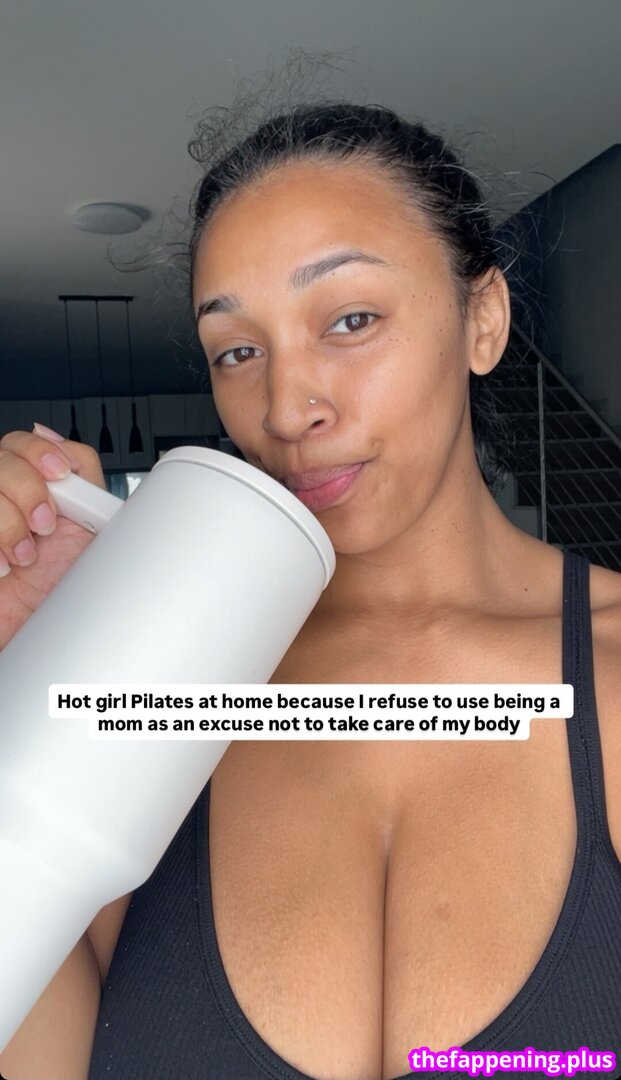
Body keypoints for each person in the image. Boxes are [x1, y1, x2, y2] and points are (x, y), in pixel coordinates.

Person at [1, 102, 620, 1080]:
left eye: (351, 320)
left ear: (483, 320)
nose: (286, 409)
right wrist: (22, 675)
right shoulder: (157, 702)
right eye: (237, 351)